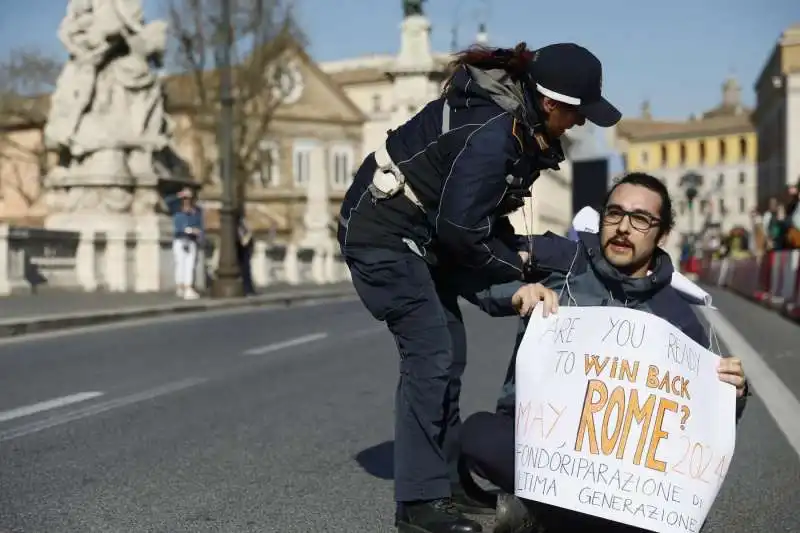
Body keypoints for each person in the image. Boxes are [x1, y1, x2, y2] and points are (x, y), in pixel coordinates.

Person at [337, 41, 621, 533]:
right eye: (578, 114)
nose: (580, 124)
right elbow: (465, 237)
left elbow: (477, 225)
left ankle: (447, 484)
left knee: (449, 350)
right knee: (431, 351)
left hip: (420, 231)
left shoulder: (519, 126)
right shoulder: (495, 134)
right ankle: (421, 506)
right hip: (381, 231)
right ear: (550, 104)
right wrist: (520, 271)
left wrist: (531, 265)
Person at [458, 173, 749, 533]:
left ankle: (540, 516)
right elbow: (477, 270)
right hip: (538, 439)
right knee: (477, 435)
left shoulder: (680, 319)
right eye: (614, 214)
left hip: (618, 467)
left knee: (681, 513)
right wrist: (517, 292)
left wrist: (733, 394)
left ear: (662, 234)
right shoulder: (561, 260)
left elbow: (699, 425)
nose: (624, 227)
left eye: (641, 219)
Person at [164, 187, 204, 300]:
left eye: (189, 198)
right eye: (185, 198)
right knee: (180, 264)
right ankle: (181, 287)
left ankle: (188, 287)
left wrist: (199, 235)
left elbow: (201, 226)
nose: (187, 200)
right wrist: (179, 194)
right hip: (180, 239)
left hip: (191, 240)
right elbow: (166, 201)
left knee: (190, 265)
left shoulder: (196, 211)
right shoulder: (177, 209)